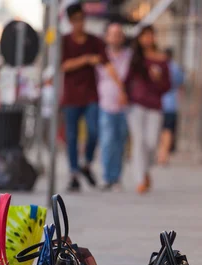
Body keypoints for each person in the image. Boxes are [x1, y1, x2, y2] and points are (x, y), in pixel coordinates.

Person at [61, 3, 128, 192]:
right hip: (71, 96)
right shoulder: (64, 41)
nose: (80, 24)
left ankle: (87, 163)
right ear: (70, 21)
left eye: (82, 19)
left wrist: (121, 88)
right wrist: (86, 60)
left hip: (91, 95)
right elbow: (62, 66)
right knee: (72, 137)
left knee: (95, 130)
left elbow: (107, 65)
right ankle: (74, 173)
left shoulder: (94, 41)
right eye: (76, 20)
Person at [125, 26, 171, 194]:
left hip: (154, 105)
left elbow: (167, 85)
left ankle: (145, 170)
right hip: (136, 104)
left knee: (151, 142)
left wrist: (157, 80)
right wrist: (124, 95)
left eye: (150, 36)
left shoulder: (162, 59)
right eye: (144, 36)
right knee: (139, 141)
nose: (147, 39)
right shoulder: (135, 58)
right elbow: (127, 79)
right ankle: (140, 179)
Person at [96, 22, 132, 191]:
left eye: (119, 34)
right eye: (112, 34)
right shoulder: (101, 57)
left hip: (125, 106)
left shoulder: (129, 56)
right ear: (106, 37)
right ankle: (107, 176)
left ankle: (116, 177)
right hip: (106, 103)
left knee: (120, 142)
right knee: (107, 141)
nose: (116, 37)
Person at [158, 48, 184, 165]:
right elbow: (181, 85)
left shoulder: (160, 67)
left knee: (163, 131)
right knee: (168, 130)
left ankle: (162, 154)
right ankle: (164, 155)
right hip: (171, 105)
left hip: (160, 104)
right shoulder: (176, 68)